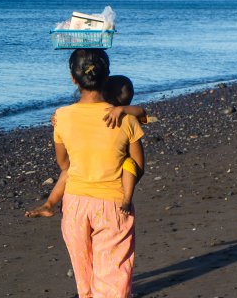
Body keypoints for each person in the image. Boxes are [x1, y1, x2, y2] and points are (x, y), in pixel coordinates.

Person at [37, 49, 144, 298]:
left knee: (86, 277)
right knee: (112, 276)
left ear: (73, 78)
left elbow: (64, 164)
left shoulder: (62, 116)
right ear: (106, 76)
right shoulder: (125, 117)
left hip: (76, 203)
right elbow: (138, 165)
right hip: (113, 203)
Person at [27, 74, 148, 218]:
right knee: (129, 166)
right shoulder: (127, 119)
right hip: (112, 184)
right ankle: (126, 199)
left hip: (82, 190)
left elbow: (141, 112)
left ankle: (49, 204)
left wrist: (122, 109)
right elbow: (140, 166)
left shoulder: (125, 115)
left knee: (68, 170)